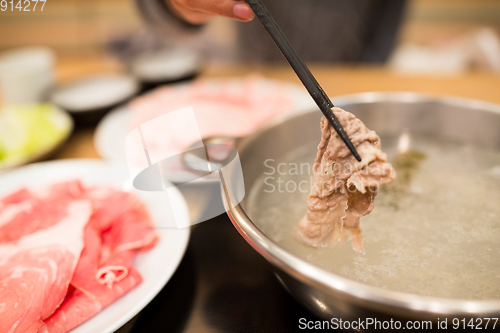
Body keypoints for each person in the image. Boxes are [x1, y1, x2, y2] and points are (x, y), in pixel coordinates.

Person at [136, 0, 407, 63]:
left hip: (362, 76)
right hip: (258, 73)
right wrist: (173, 6)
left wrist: (373, 69)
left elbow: (387, 20)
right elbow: (153, 9)